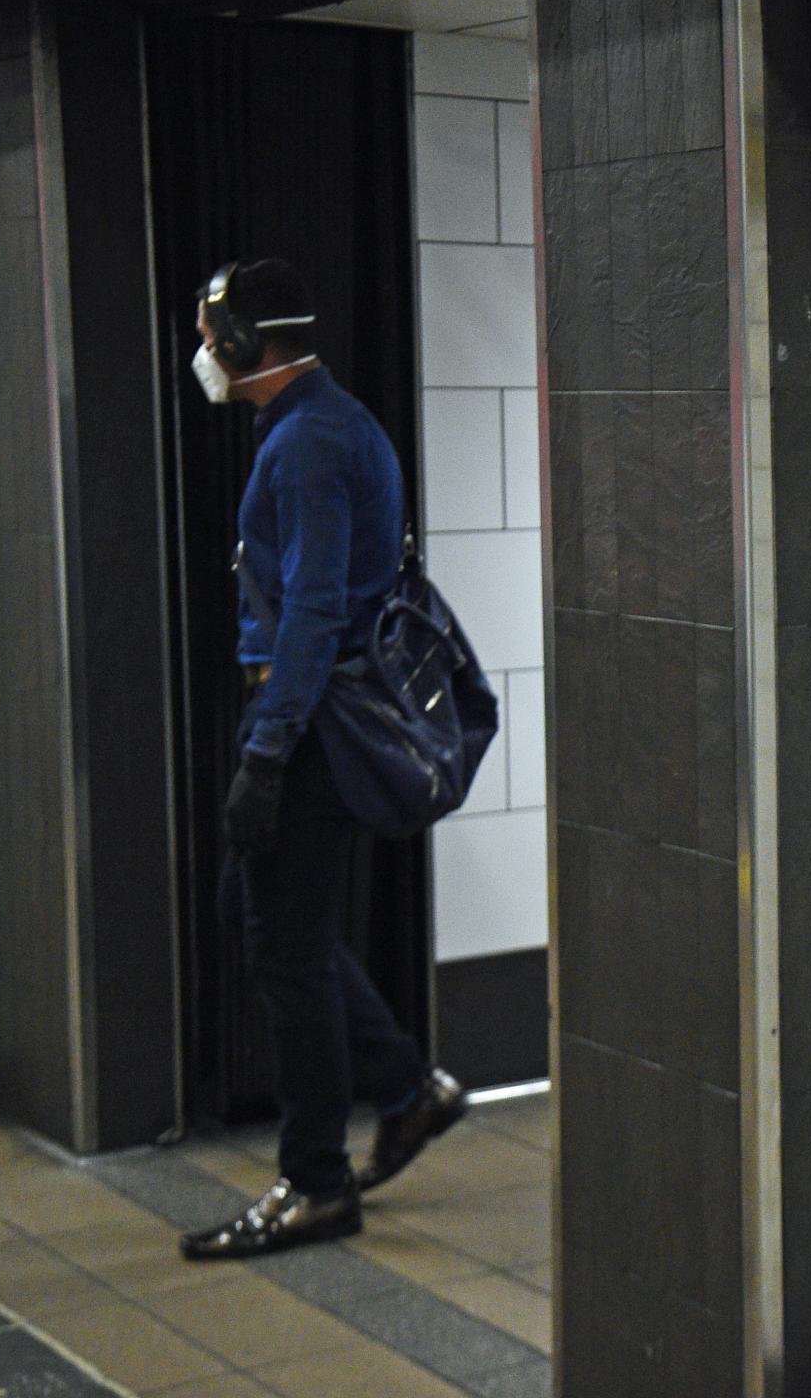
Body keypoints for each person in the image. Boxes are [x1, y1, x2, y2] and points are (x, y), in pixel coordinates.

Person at [178, 258, 469, 1262]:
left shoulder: (309, 443)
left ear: (251, 345)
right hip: (301, 720)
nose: (207, 352)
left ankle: (315, 1182)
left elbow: (310, 609)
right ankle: (404, 1085)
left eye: (216, 335)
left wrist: (264, 753)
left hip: (301, 729)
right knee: (254, 915)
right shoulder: (321, 425)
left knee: (286, 950)